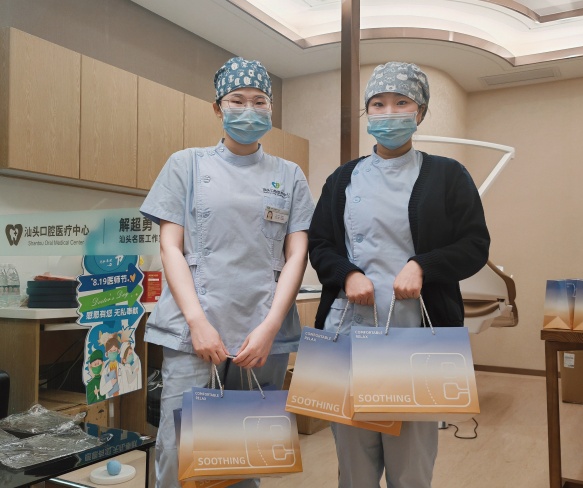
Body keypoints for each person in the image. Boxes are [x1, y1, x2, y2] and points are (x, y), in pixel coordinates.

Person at [308, 61, 490, 487]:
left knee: (411, 465)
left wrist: (422, 264)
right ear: (367, 113)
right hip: (348, 331)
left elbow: (474, 245)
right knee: (353, 463)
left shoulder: (447, 175)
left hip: (416, 336)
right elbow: (320, 243)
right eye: (378, 104)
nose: (388, 112)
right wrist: (347, 274)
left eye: (401, 103)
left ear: (419, 112)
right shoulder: (342, 179)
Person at [140, 57, 314, 488]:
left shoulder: (289, 175)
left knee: (243, 455)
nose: (249, 109)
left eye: (259, 101)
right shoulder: (186, 164)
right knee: (180, 455)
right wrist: (197, 323)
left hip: (264, 332)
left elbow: (297, 255)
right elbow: (171, 247)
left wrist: (270, 327)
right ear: (218, 107)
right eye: (237, 100)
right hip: (194, 331)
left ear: (271, 109)